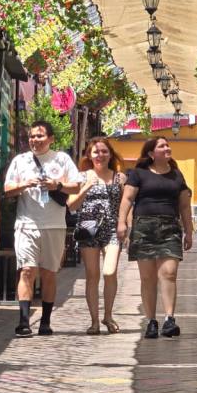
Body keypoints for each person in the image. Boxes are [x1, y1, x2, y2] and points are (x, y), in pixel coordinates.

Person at [4, 120, 81, 337]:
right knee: (27, 270)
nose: (34, 140)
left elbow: (76, 185)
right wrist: (24, 184)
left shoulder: (62, 159)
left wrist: (56, 185)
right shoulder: (20, 161)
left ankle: (45, 321)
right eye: (31, 136)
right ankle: (23, 322)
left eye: (39, 136)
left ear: (51, 139)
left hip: (54, 225)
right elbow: (7, 190)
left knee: (49, 273)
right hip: (26, 224)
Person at [117, 137, 193, 339]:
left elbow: (184, 206)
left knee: (169, 273)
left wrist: (189, 230)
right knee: (147, 277)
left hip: (170, 228)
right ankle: (151, 320)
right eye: (162, 146)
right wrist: (122, 223)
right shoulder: (138, 174)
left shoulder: (177, 175)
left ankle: (169, 319)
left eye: (167, 145)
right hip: (144, 228)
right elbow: (127, 198)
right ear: (151, 153)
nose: (167, 148)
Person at [67, 137, 125, 335]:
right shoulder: (81, 177)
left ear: (110, 154)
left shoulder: (120, 178)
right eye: (96, 152)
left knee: (109, 272)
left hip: (112, 228)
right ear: (89, 156)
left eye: (104, 151)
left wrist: (126, 225)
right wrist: (86, 187)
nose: (100, 155)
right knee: (92, 275)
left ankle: (108, 315)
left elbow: (127, 205)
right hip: (88, 227)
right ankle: (94, 322)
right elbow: (72, 205)